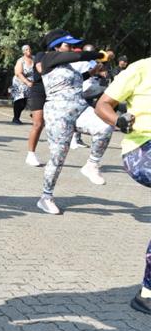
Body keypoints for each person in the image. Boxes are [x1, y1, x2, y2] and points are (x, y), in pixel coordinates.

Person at [35, 29, 114, 215]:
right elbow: (79, 56)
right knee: (58, 157)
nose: (71, 48)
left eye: (72, 45)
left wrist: (92, 70)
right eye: (67, 45)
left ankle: (92, 165)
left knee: (104, 127)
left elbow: (78, 78)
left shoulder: (69, 65)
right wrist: (101, 55)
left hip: (79, 108)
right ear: (55, 46)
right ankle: (46, 197)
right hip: (58, 113)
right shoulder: (48, 58)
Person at [95, 57, 151, 314]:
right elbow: (103, 105)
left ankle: (147, 293)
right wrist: (118, 121)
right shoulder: (140, 69)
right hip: (141, 149)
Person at [24, 46, 47, 167]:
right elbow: (40, 69)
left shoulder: (63, 59)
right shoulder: (41, 54)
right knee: (38, 124)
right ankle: (30, 155)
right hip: (39, 92)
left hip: (54, 92)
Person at [11, 45, 34, 124]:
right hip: (20, 82)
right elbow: (18, 73)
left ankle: (34, 115)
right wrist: (27, 82)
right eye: (26, 49)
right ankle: (16, 118)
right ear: (23, 52)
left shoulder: (34, 59)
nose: (28, 50)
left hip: (32, 82)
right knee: (20, 101)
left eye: (29, 49)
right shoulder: (20, 60)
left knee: (33, 100)